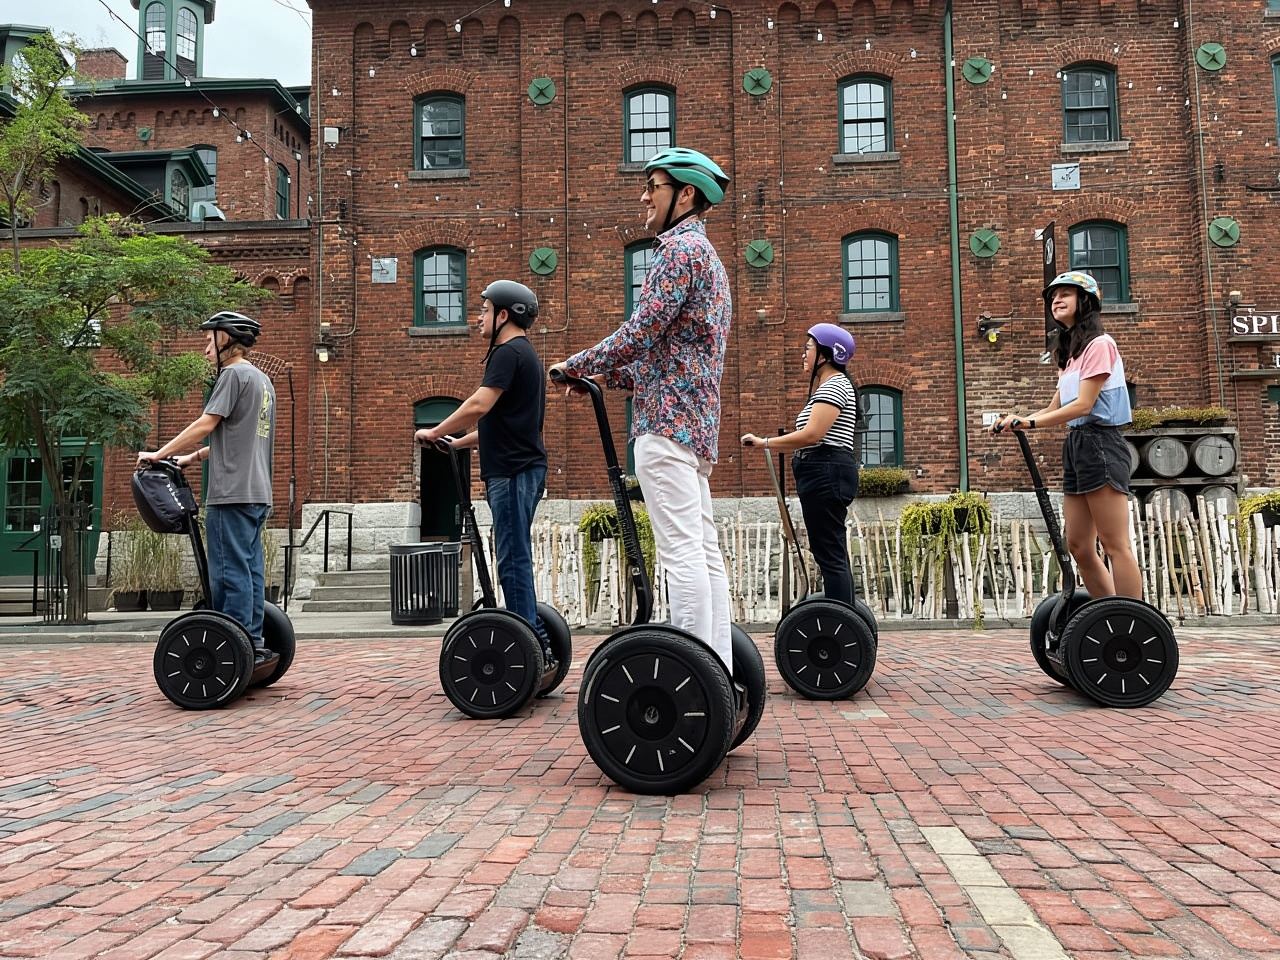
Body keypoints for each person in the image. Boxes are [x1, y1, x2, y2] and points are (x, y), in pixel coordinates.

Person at [549, 146, 735, 672]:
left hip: (665, 431)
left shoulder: (675, 252)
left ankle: (696, 674)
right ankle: (717, 666)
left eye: (652, 185)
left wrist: (576, 363)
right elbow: (673, 356)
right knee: (704, 552)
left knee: (680, 554)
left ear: (685, 194)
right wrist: (605, 375)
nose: (644, 195)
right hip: (696, 431)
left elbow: (642, 332)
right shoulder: (711, 261)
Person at [415, 280, 550, 653]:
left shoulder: (508, 353)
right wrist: (457, 442)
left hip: (513, 472)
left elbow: (478, 405)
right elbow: (499, 424)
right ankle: (532, 636)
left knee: (512, 555)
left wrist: (435, 430)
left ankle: (529, 642)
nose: (478, 317)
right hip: (520, 466)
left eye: (485, 310)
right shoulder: (525, 355)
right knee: (514, 551)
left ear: (504, 315)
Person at [991, 270, 1140, 599]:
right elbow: (1056, 405)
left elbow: (1084, 405)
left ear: (1085, 302)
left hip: (1101, 441)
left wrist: (1030, 425)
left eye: (1066, 294)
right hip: (1077, 445)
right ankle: (1107, 614)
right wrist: (1018, 419)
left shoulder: (1101, 345)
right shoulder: (1071, 353)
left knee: (1114, 543)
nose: (1056, 300)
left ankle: (1134, 618)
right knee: (1078, 545)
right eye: (1053, 296)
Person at [137, 311, 276, 661]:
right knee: (250, 571)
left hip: (231, 494)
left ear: (226, 338)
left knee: (228, 573)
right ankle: (254, 642)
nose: (205, 349)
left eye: (208, 340)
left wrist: (160, 453)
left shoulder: (231, 375)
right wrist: (192, 459)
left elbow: (207, 423)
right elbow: (238, 437)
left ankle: (236, 645)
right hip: (257, 493)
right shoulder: (261, 380)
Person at [741, 323, 860, 606]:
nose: (803, 355)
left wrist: (764, 442)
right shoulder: (831, 385)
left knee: (830, 553)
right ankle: (844, 616)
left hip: (826, 470)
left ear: (826, 353)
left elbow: (812, 434)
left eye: (808, 348)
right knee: (831, 551)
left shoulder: (834, 385)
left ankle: (842, 623)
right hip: (825, 470)